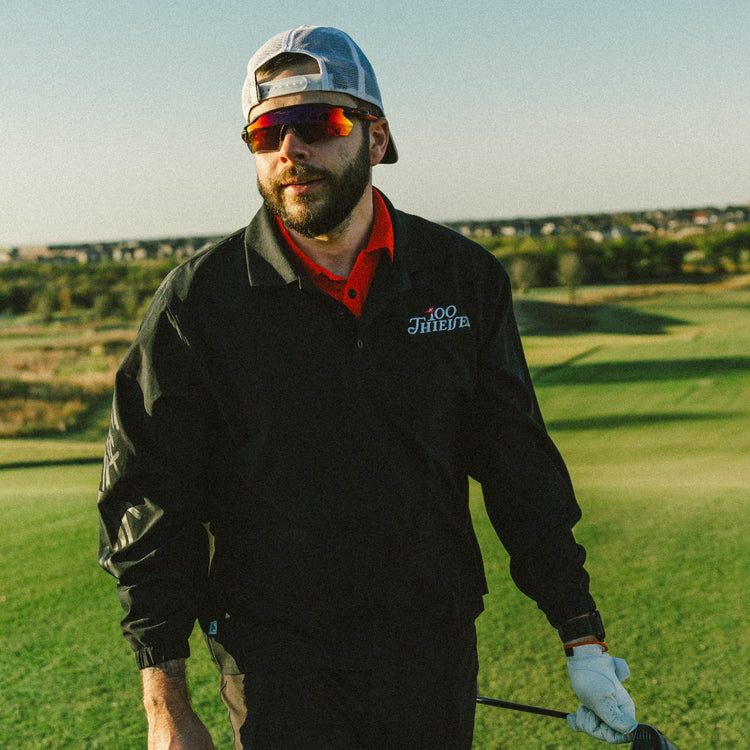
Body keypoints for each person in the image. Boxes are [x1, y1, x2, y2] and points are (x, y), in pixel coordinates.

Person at [98, 25, 639, 750]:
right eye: (265, 133)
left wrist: (583, 640)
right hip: (274, 660)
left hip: (430, 644)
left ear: (376, 137)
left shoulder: (461, 278)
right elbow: (149, 499)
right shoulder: (199, 305)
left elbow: (519, 468)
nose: (290, 150)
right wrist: (165, 707)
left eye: (317, 124)